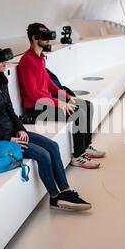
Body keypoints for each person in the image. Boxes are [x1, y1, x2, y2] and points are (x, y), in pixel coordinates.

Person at [0, 45, 91, 211]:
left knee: (53, 146)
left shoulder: (1, 80)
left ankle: (66, 192)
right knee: (43, 154)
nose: (5, 62)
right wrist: (8, 138)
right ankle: (55, 197)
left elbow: (10, 110)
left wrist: (21, 129)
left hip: (12, 133)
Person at [17, 23, 106, 170]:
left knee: (86, 105)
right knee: (78, 113)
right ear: (34, 38)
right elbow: (33, 93)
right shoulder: (26, 61)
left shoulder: (40, 58)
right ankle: (78, 157)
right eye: (44, 35)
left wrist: (67, 96)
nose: (48, 39)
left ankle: (86, 146)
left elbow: (49, 83)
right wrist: (58, 103)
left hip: (47, 103)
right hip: (35, 109)